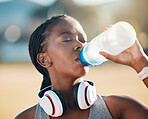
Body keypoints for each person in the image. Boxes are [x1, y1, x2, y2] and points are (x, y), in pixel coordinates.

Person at [15, 14, 148, 119]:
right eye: (67, 39)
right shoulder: (26, 117)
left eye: (83, 39)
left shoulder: (120, 108)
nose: (80, 45)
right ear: (44, 59)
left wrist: (140, 62)